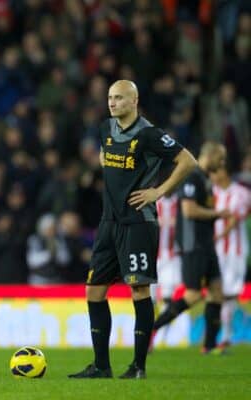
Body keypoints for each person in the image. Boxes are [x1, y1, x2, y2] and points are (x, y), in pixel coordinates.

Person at [68, 80, 197, 380]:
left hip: (138, 222)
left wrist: (158, 191)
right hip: (108, 223)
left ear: (134, 100)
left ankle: (138, 366)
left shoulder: (149, 134)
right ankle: (101, 366)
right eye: (110, 97)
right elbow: (105, 158)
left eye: (119, 98)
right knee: (94, 291)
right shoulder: (105, 129)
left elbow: (187, 161)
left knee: (138, 289)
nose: (112, 103)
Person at [153, 141, 231, 354]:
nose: (222, 163)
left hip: (206, 243)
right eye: (220, 158)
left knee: (217, 291)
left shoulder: (205, 179)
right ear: (210, 155)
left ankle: (209, 345)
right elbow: (188, 211)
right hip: (193, 244)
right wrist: (217, 214)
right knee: (193, 295)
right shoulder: (193, 177)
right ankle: (153, 328)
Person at [210, 166, 250, 348]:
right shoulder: (211, 193)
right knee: (218, 292)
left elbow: (236, 217)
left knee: (230, 293)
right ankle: (220, 335)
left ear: (223, 170)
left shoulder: (241, 193)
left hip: (235, 251)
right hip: (215, 251)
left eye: (214, 171)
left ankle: (225, 336)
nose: (212, 176)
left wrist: (219, 235)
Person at [151, 192, 182, 346]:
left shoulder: (181, 202)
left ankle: (161, 336)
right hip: (152, 256)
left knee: (168, 297)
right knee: (150, 300)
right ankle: (149, 335)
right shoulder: (153, 202)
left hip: (172, 257)